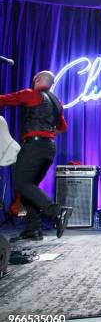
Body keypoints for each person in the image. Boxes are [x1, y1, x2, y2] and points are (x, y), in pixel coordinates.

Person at [0, 70, 72, 240]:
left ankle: (56, 212)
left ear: (37, 80)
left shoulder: (31, 94)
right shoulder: (57, 103)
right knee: (29, 187)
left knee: (22, 184)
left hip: (34, 145)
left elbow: (4, 100)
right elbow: (63, 127)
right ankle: (34, 228)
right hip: (49, 148)